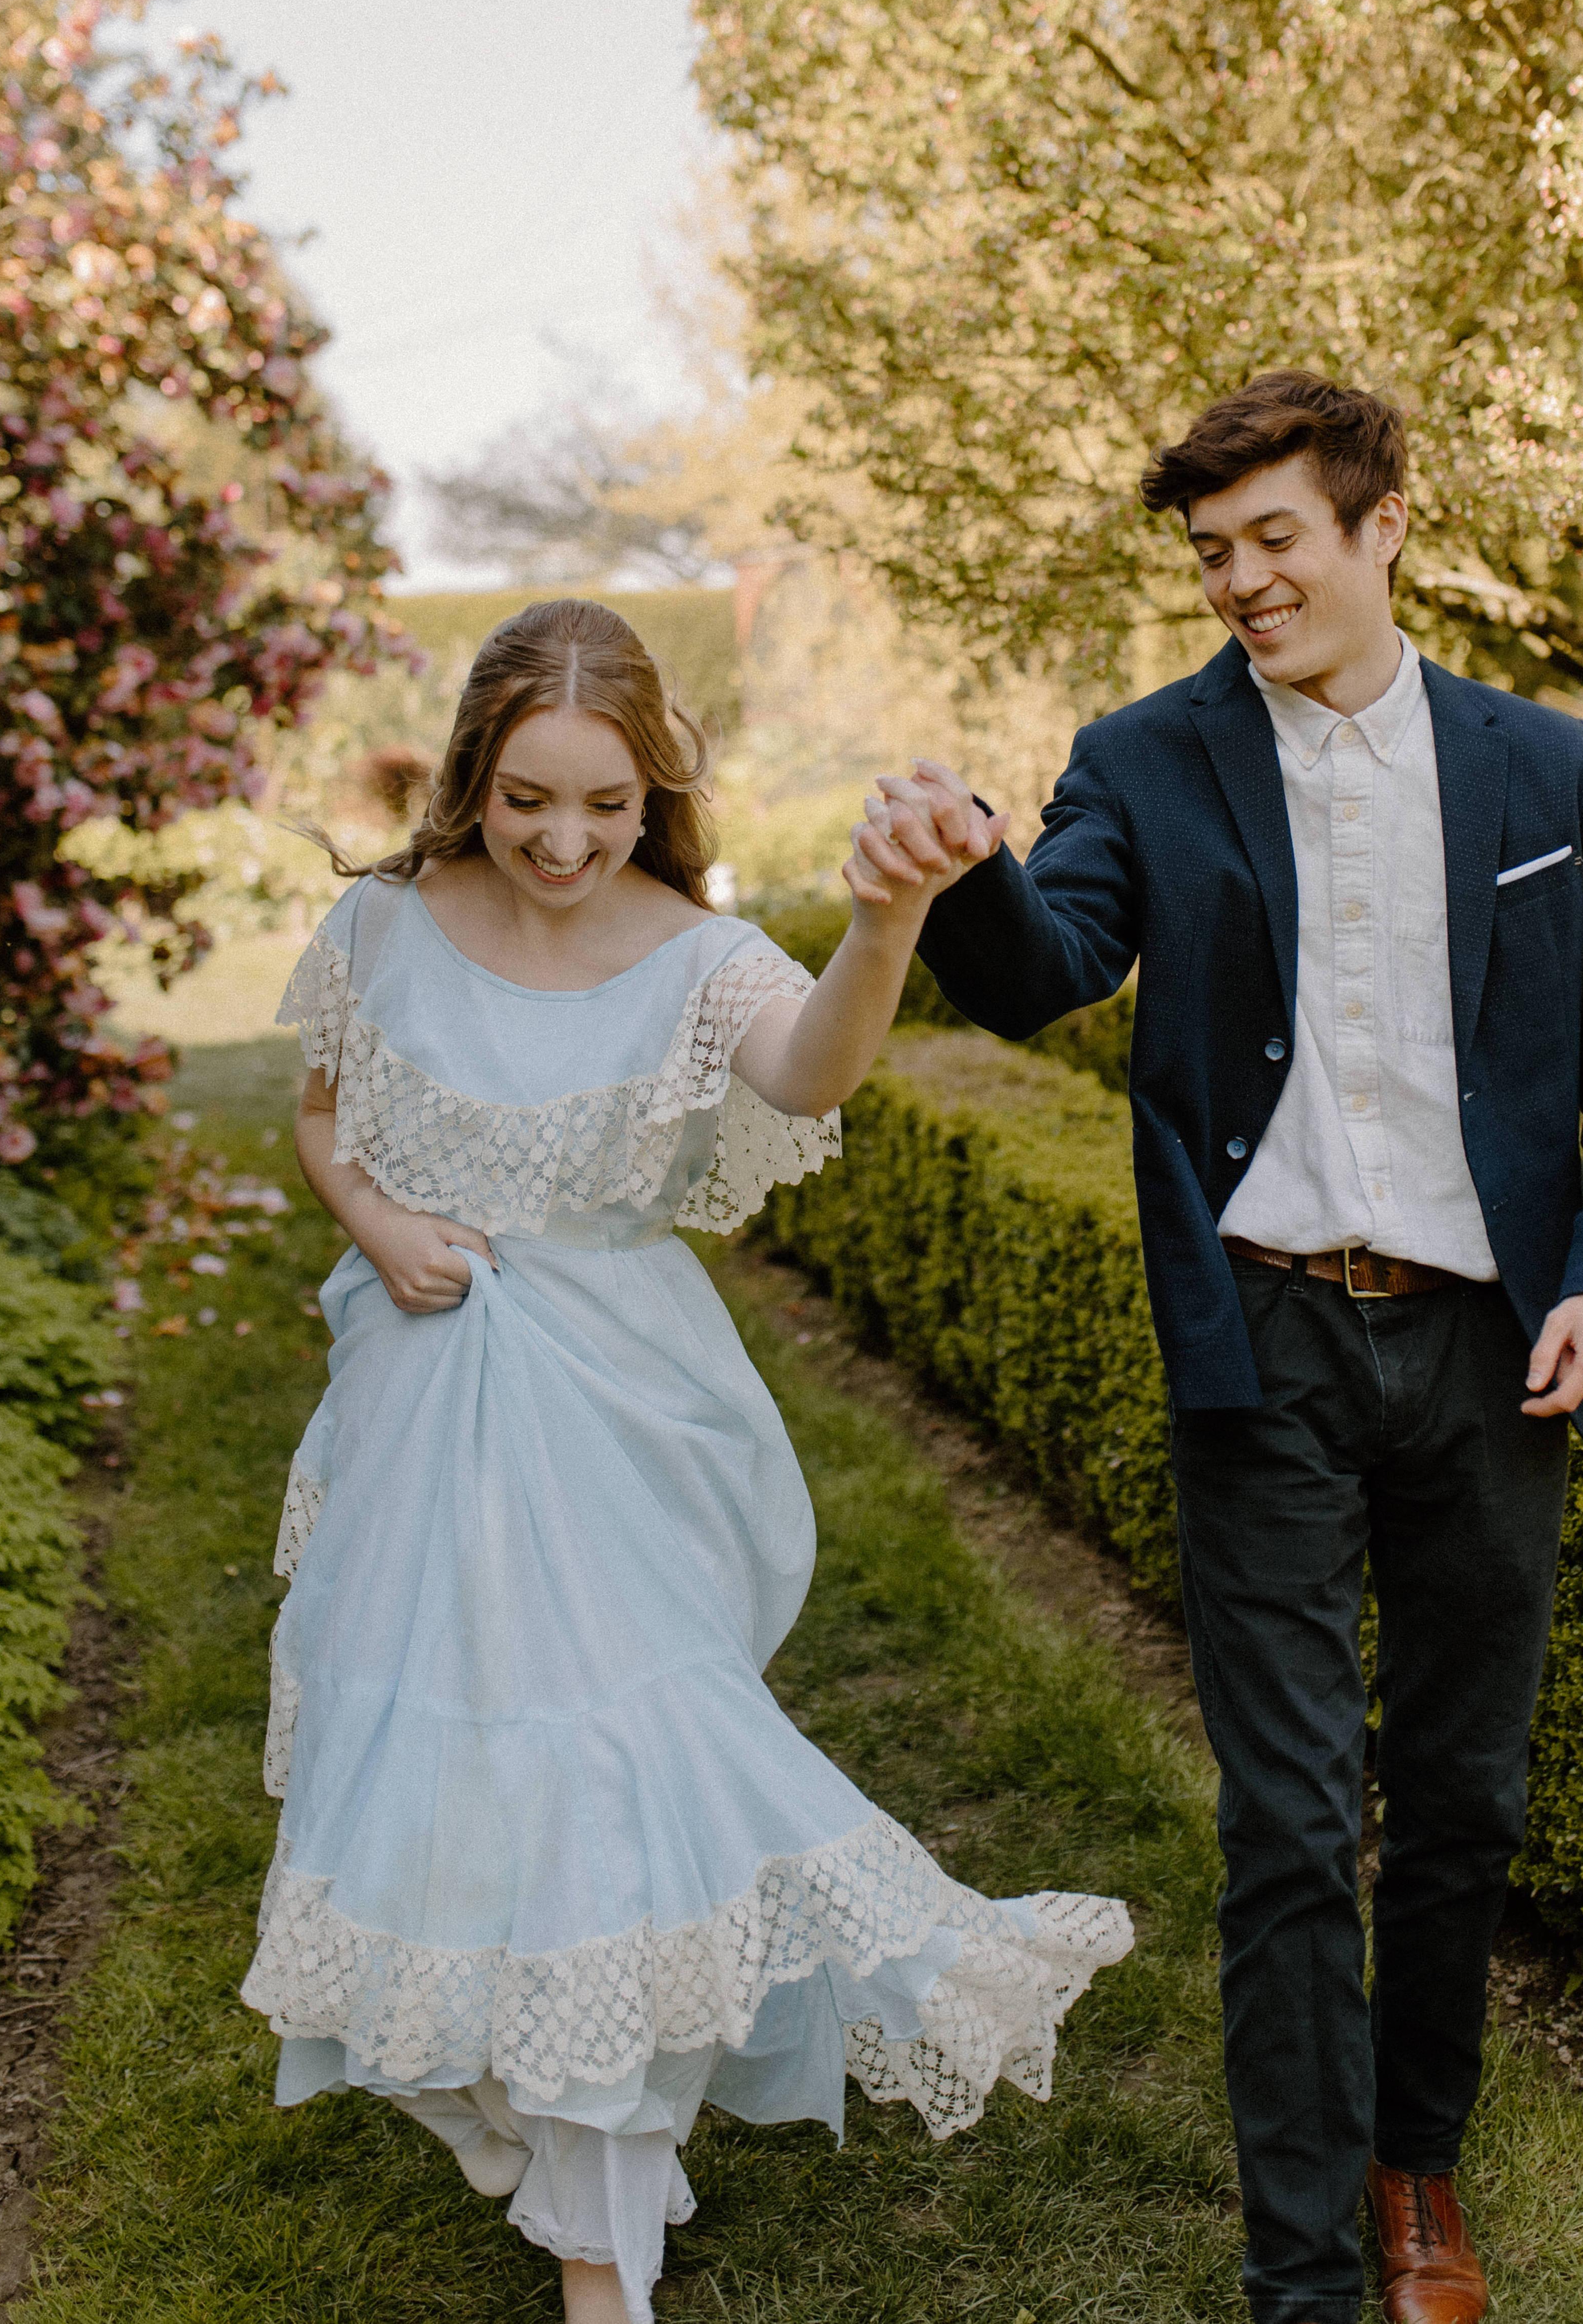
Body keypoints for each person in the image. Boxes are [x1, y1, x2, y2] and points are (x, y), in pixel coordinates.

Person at [848, 372, 1583, 2324]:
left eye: (1277, 541)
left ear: (1382, 521)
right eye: (1213, 553)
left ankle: (1420, 2173)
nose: (1243, 583)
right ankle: (1308, 2279)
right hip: (1270, 1350)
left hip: (1500, 1350)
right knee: (1293, 1826)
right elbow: (1045, 970)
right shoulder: (1146, 762)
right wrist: (960, 866)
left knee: (1464, 1799)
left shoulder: (1550, 771)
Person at [248, 599, 1132, 2324]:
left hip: (614, 1419)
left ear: (657, 795)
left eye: (607, 806)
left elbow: (810, 1071)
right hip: (417, 1412)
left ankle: (603, 2245)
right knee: (421, 1777)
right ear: (471, 780)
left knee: (605, 1788)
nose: (566, 843)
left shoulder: (693, 957)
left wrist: (885, 918)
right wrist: (380, 1218)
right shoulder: (381, 926)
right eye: (526, 802)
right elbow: (321, 1117)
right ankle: (533, 2114)